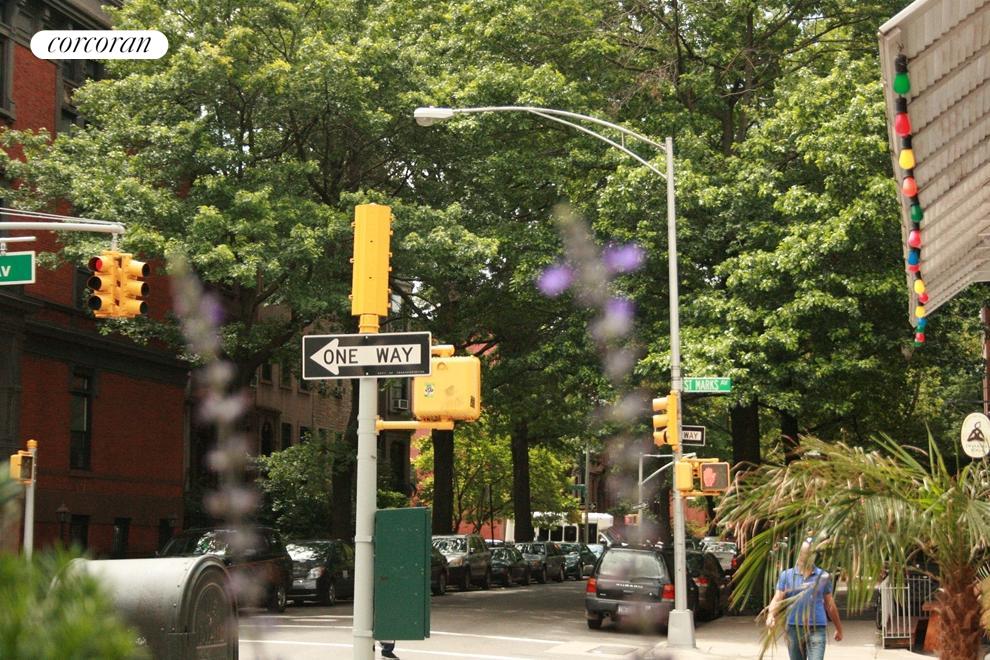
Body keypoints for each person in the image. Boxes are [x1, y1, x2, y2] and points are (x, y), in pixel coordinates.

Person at [766, 537, 843, 660]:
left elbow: (830, 604)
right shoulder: (787, 575)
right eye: (805, 553)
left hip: (817, 628)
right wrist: (771, 615)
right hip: (793, 628)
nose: (807, 556)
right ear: (800, 554)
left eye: (810, 553)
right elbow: (777, 598)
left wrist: (839, 628)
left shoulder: (823, 576)